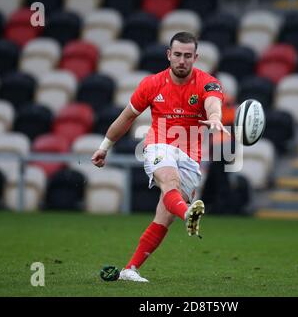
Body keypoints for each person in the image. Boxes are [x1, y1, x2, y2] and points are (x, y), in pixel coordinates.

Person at [91, 32, 229, 282]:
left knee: (163, 218)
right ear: (169, 55)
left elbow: (213, 104)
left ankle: (129, 270)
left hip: (190, 156)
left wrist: (216, 118)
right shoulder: (152, 84)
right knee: (169, 182)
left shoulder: (209, 83)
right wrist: (105, 146)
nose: (182, 61)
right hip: (159, 145)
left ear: (196, 58)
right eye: (177, 55)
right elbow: (126, 117)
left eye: (188, 56)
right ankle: (188, 213)